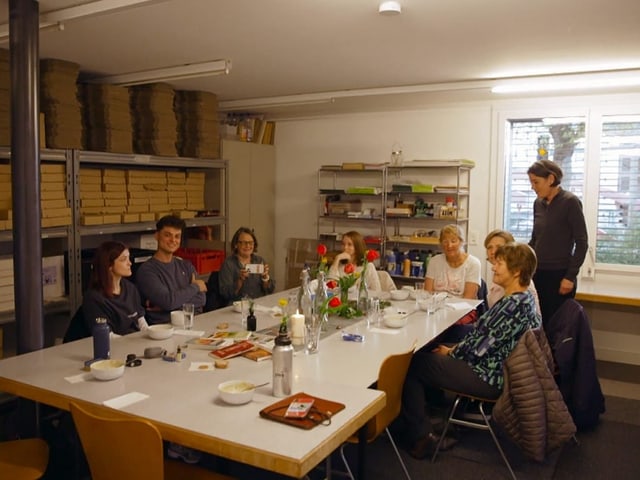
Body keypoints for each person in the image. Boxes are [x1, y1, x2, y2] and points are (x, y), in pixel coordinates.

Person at [401, 242, 541, 459]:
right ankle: (432, 415)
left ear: (516, 272)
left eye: (500, 263)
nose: (494, 267)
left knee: (415, 364)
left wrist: (451, 353)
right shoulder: (522, 300)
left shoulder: (512, 305)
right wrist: (455, 348)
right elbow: (485, 339)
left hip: (488, 376)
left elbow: (479, 349)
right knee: (435, 347)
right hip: (495, 367)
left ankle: (422, 437)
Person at [527, 160, 588, 323]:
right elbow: (535, 239)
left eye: (536, 182)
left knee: (557, 326)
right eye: (531, 182)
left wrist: (570, 276)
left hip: (560, 275)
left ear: (551, 179)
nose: (533, 187)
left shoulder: (570, 202)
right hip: (537, 273)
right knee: (539, 323)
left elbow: (582, 243)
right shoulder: (538, 203)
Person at [135, 215, 206, 325]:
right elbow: (168, 302)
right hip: (165, 328)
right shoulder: (147, 271)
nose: (173, 240)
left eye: (177, 236)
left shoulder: (186, 265)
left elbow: (201, 299)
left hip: (192, 323)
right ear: (157, 236)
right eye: (167, 235)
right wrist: (195, 287)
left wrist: (167, 306)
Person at [82, 241, 149, 336]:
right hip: (112, 346)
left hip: (132, 343)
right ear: (109, 265)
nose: (129, 263)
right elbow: (107, 336)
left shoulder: (130, 288)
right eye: (123, 259)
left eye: (129, 258)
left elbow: (141, 320)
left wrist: (149, 336)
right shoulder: (94, 298)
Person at [484, 229, 541, 316]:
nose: (493, 252)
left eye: (499, 247)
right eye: (489, 247)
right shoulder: (500, 275)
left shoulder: (518, 285)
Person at [422, 224, 481, 299]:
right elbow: (427, 293)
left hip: (462, 309)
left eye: (453, 241)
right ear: (441, 244)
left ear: (461, 242)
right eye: (445, 241)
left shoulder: (473, 263)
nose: (449, 245)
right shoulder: (434, 261)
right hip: (436, 307)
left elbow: (468, 299)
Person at [218, 227, 275, 304]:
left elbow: (270, 290)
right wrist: (240, 281)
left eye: (251, 243)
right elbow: (224, 294)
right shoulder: (228, 264)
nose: (248, 246)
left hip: (258, 305)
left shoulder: (259, 260)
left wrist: (265, 279)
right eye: (244, 243)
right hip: (237, 308)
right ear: (236, 244)